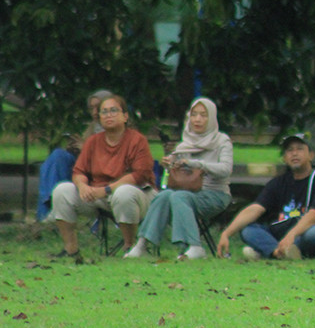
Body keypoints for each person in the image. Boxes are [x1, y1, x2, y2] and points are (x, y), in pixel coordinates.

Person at [125, 97, 233, 260]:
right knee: (164, 196)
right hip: (187, 192)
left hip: (215, 194)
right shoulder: (184, 144)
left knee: (179, 196)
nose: (197, 119)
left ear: (211, 117)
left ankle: (195, 246)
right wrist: (171, 165)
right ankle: (142, 244)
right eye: (194, 114)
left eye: (203, 115)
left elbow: (225, 170)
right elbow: (179, 176)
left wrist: (197, 164)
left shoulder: (222, 141)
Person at [50, 94, 155, 259]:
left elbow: (140, 175)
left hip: (138, 194)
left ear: (125, 116)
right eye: (104, 112)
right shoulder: (93, 141)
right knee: (62, 190)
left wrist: (106, 190)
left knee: (124, 193)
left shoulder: (137, 140)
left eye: (114, 110)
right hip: (99, 195)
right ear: (99, 118)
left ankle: (130, 248)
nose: (109, 115)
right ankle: (71, 250)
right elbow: (79, 171)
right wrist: (83, 187)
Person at [217, 133, 315, 261]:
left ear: (311, 155)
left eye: (300, 149)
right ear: (284, 158)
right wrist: (226, 233)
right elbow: (255, 208)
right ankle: (278, 252)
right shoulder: (278, 183)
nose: (294, 153)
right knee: (248, 230)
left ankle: (268, 251)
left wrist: (291, 235)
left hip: (313, 235)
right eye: (289, 150)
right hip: (286, 235)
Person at [36, 89, 112, 221]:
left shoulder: (119, 129)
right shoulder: (93, 127)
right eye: (91, 108)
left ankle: (50, 212)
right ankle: (46, 212)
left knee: (61, 162)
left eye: (98, 107)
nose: (94, 112)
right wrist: (75, 149)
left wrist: (85, 148)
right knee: (58, 156)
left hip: (101, 180)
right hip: (83, 171)